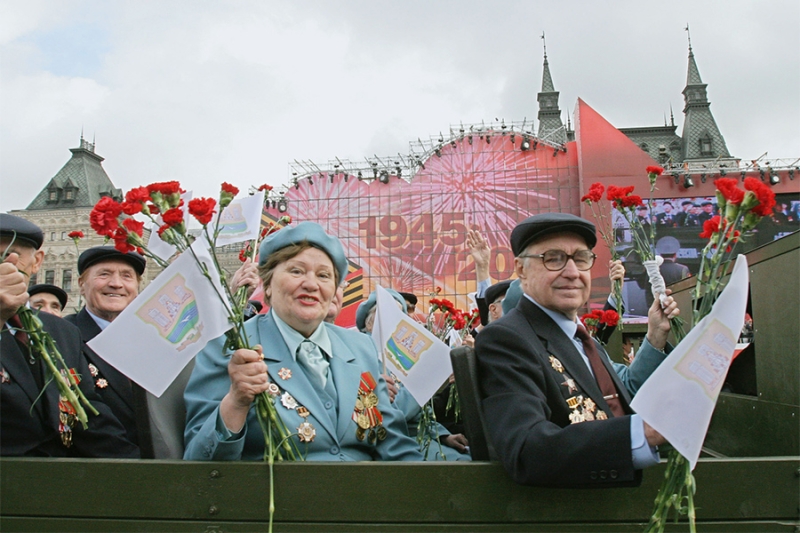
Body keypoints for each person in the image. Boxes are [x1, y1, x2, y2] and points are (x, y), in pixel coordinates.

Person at [184, 222, 422, 461]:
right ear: (266, 286)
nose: (311, 284)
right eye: (296, 271)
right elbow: (198, 464)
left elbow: (395, 445)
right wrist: (235, 402)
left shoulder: (361, 348)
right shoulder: (230, 346)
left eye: (324, 275)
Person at [475, 212, 679, 487]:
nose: (572, 272)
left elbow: (622, 395)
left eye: (581, 259)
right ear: (521, 270)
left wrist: (655, 336)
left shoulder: (581, 338)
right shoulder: (506, 339)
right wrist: (638, 433)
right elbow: (527, 449)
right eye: (553, 258)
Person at [0, 214, 138, 457]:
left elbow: (90, 415)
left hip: (61, 480)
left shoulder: (61, 331)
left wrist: (139, 471)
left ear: (36, 263)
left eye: (14, 255)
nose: (5, 265)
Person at [355, 289, 470, 459]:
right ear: (370, 323)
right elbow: (391, 411)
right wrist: (429, 383)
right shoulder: (361, 353)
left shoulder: (400, 353)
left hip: (417, 436)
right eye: (389, 315)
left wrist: (443, 436)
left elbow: (421, 414)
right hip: (388, 440)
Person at [63, 246, 148, 450]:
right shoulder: (64, 336)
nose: (116, 284)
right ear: (82, 284)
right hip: (100, 468)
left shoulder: (154, 338)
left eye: (127, 276)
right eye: (104, 274)